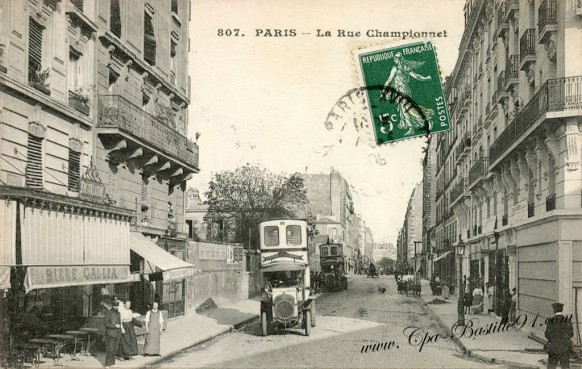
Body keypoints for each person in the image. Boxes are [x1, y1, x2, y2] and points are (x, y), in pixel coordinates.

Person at [380, 52, 435, 135]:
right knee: (404, 109)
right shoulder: (403, 67)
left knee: (407, 108)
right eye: (394, 58)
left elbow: (389, 80)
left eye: (396, 58)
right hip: (400, 90)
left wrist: (384, 90)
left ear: (399, 59)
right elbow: (416, 76)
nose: (394, 59)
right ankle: (412, 127)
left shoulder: (398, 68)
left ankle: (425, 118)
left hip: (402, 89)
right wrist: (426, 78)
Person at [544, 302, 573, 369]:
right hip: (565, 348)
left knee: (551, 366)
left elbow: (547, 334)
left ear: (554, 310)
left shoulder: (551, 321)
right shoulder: (567, 320)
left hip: (553, 348)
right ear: (562, 310)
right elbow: (571, 334)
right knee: (565, 367)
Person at [103, 297, 122, 368]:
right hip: (110, 333)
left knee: (115, 349)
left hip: (117, 334)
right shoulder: (108, 313)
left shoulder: (119, 313)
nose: (116, 307)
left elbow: (119, 323)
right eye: (115, 306)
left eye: (117, 306)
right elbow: (106, 323)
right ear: (112, 306)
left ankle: (112, 363)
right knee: (110, 349)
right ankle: (107, 364)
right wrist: (114, 325)